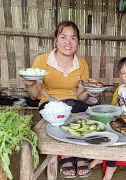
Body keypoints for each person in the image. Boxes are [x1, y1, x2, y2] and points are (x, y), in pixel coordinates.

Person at [25, 21, 96, 178]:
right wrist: (31, 85)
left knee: (84, 111)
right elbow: (34, 96)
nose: (68, 42)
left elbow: (79, 95)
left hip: (74, 103)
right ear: (56, 39)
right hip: (49, 105)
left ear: (78, 42)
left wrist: (90, 93)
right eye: (63, 37)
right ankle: (66, 156)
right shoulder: (42, 60)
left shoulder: (82, 64)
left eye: (73, 38)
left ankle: (80, 152)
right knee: (66, 111)